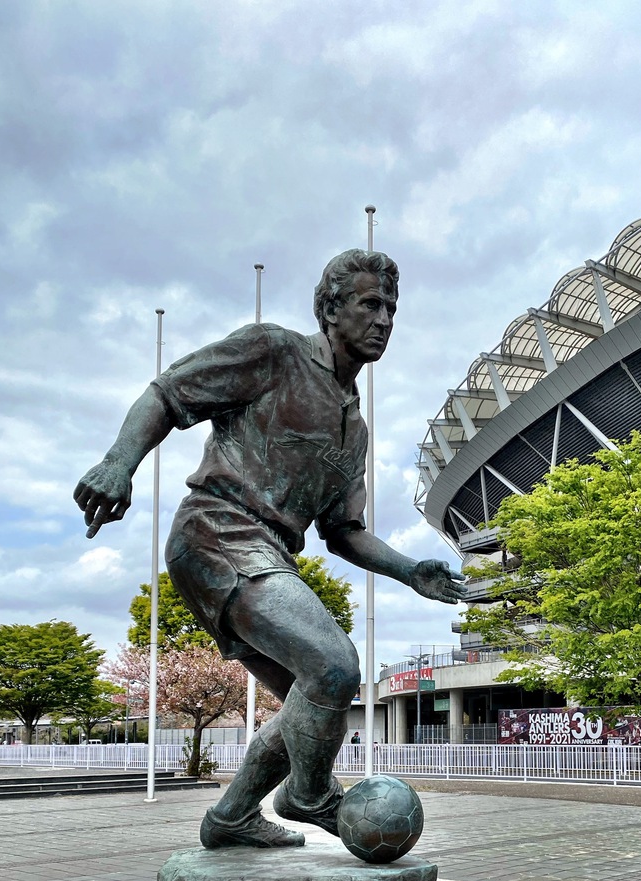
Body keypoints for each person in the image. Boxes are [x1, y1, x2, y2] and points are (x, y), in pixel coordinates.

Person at [74, 249, 466, 850]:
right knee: (333, 666)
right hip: (218, 530)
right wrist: (117, 464)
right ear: (330, 309)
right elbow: (168, 394)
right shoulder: (275, 351)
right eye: (370, 304)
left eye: (391, 308)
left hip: (269, 554)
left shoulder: (355, 430)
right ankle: (309, 797)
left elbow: (344, 531)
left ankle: (231, 816)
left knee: (309, 705)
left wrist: (411, 571)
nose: (384, 320)